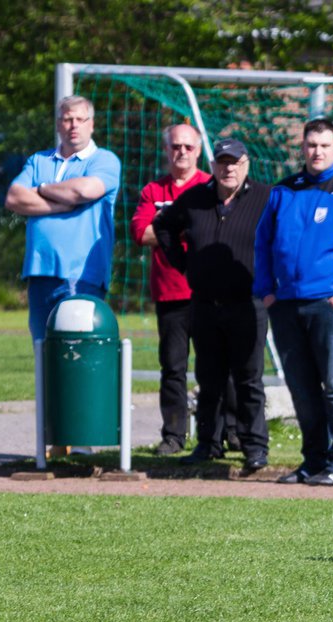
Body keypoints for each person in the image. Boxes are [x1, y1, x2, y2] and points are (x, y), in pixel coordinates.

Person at [253, 117, 333, 488]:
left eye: (325, 145)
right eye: (311, 145)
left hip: (331, 306)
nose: (317, 152)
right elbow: (262, 244)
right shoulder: (283, 191)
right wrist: (267, 291)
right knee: (302, 388)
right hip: (287, 305)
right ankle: (314, 462)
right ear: (303, 148)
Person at [5, 94, 121, 457]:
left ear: (91, 123)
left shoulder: (104, 160)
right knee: (44, 352)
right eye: (66, 119)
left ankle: (83, 439)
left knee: (79, 352)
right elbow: (13, 198)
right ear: (59, 123)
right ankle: (53, 440)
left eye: (80, 119)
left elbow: (87, 190)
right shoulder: (39, 160)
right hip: (41, 271)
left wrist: (40, 193)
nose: (73, 126)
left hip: (81, 273)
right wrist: (60, 198)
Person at [155, 138, 273, 472]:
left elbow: (286, 236)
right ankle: (208, 443)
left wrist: (274, 278)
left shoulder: (265, 198)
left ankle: (254, 446)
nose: (228, 168)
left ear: (246, 164)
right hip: (205, 304)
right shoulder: (194, 199)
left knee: (249, 379)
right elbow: (163, 225)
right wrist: (184, 264)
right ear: (212, 166)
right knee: (209, 378)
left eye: (234, 162)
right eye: (222, 162)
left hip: (247, 303)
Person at [130, 124, 211, 456]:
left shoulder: (210, 185)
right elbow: (141, 233)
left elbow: (212, 230)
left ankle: (219, 434)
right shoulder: (154, 190)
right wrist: (184, 229)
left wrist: (167, 225)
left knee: (214, 367)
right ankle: (174, 435)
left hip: (207, 291)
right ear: (166, 150)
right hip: (169, 294)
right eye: (176, 146)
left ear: (198, 150)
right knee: (173, 368)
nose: (182, 152)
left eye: (188, 147)